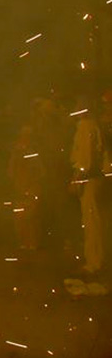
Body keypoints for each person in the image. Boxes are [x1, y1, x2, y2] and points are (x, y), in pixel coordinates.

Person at [70, 99, 107, 275]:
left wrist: (78, 179)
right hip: (94, 179)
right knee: (94, 221)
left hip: (89, 180)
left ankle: (95, 262)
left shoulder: (85, 127)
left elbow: (86, 159)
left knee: (92, 223)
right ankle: (95, 259)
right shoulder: (94, 125)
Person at [9, 125, 44, 250]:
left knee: (32, 216)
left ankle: (33, 243)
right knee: (20, 217)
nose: (25, 139)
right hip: (20, 187)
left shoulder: (34, 153)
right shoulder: (16, 152)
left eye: (28, 136)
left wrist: (33, 186)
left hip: (32, 187)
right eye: (23, 136)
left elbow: (40, 172)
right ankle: (23, 243)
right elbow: (11, 171)